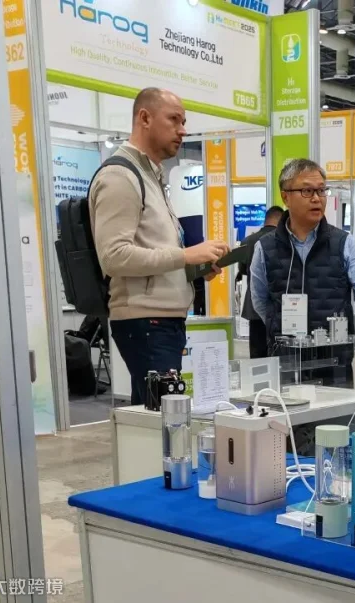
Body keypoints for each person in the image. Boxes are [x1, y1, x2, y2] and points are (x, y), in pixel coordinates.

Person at [90, 87, 229, 406]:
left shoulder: (149, 176)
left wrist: (193, 268)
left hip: (160, 321)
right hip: (146, 321)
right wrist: (185, 255)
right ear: (145, 118)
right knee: (167, 420)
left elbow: (151, 252)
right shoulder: (120, 177)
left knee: (152, 419)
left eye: (184, 122)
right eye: (174, 120)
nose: (183, 130)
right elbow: (113, 257)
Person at [251, 158, 355, 387]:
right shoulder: (265, 248)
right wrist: (281, 330)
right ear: (285, 197)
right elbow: (260, 301)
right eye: (307, 191)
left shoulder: (344, 243)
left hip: (334, 364)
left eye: (321, 190)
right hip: (285, 364)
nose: (317, 198)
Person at [235, 206, 284, 358]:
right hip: (278, 306)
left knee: (257, 354)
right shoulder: (283, 240)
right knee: (278, 353)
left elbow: (243, 270)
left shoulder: (248, 241)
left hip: (254, 306)